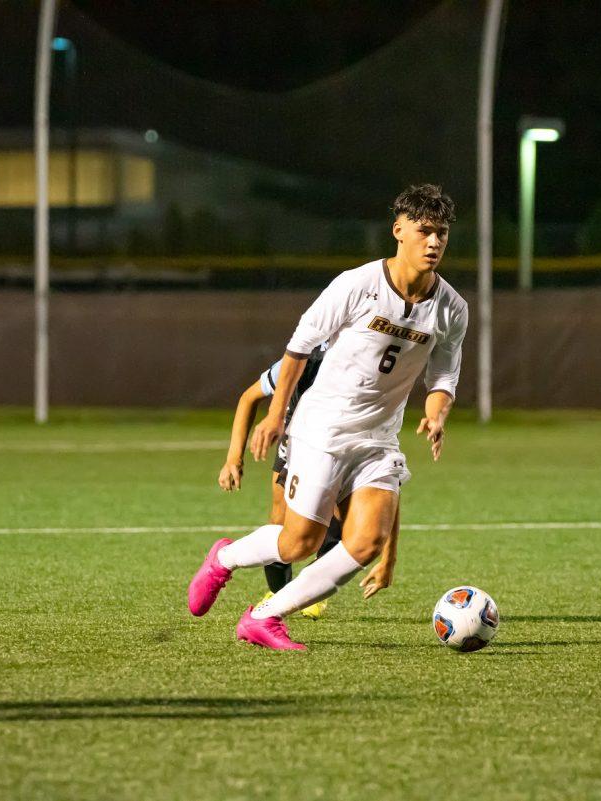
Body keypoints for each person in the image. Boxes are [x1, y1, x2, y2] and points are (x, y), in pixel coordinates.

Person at [189, 183, 467, 650]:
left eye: (442, 233)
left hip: (378, 438)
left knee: (366, 542)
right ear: (399, 230)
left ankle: (263, 617)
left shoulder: (452, 308)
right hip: (322, 428)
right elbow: (298, 348)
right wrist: (276, 417)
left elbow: (443, 378)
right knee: (299, 542)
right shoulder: (356, 285)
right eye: (424, 231)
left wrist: (437, 416)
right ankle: (226, 558)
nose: (434, 242)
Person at [218, 345, 343, 619]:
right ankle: (278, 593)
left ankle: (311, 591)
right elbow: (248, 398)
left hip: (338, 440)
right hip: (295, 437)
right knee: (279, 517)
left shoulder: (359, 363)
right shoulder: (301, 362)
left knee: (335, 516)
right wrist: (234, 458)